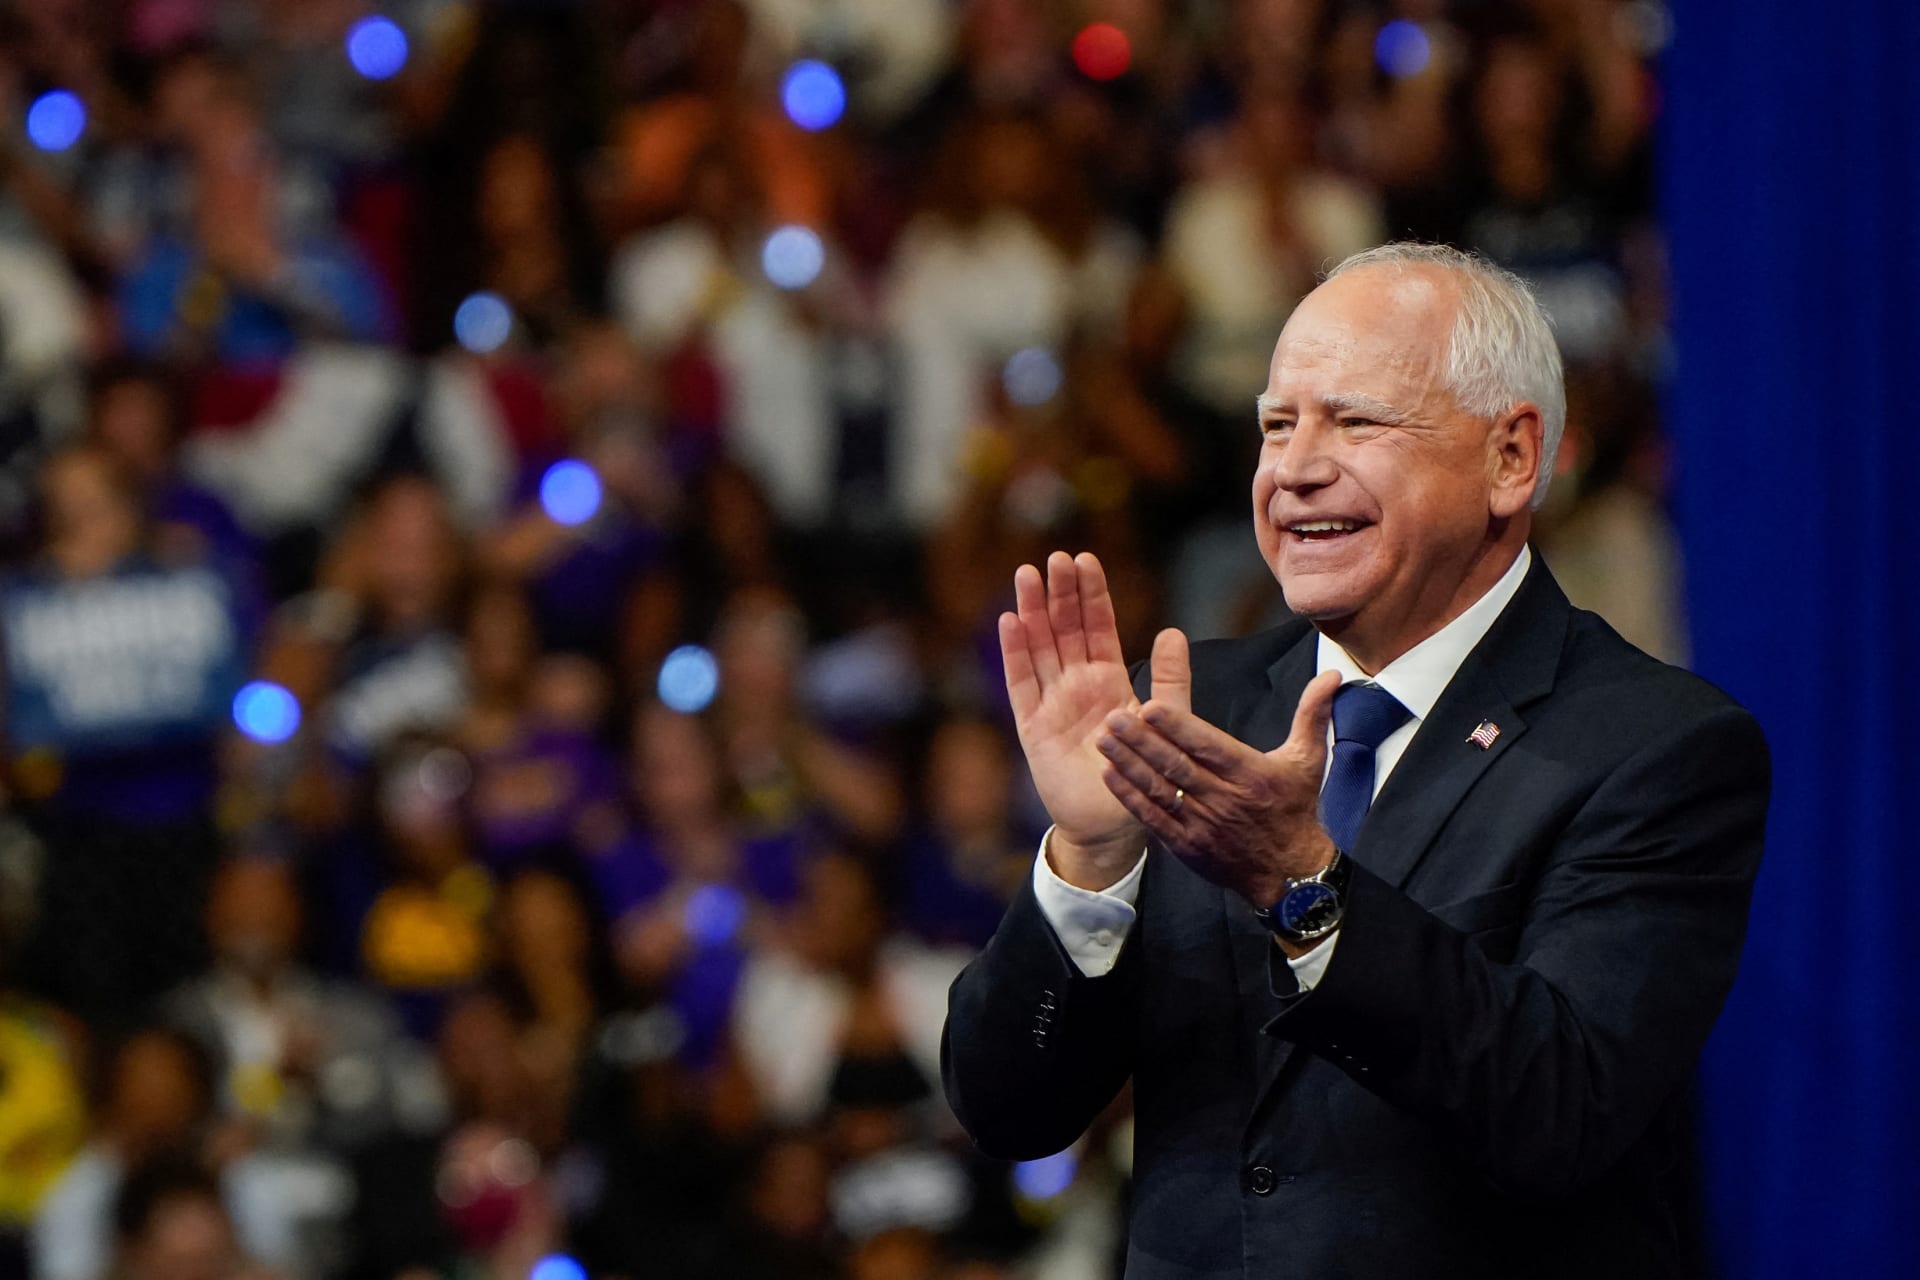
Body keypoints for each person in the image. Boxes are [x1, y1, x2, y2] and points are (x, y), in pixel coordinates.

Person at [941, 242, 1768, 1278]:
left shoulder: (1658, 747)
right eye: (1276, 425)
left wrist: (1306, 888)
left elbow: (1561, 1107)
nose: (1293, 468)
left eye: (1356, 419)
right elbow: (1008, 1108)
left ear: (1511, 458)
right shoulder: (1196, 709)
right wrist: (1090, 860)